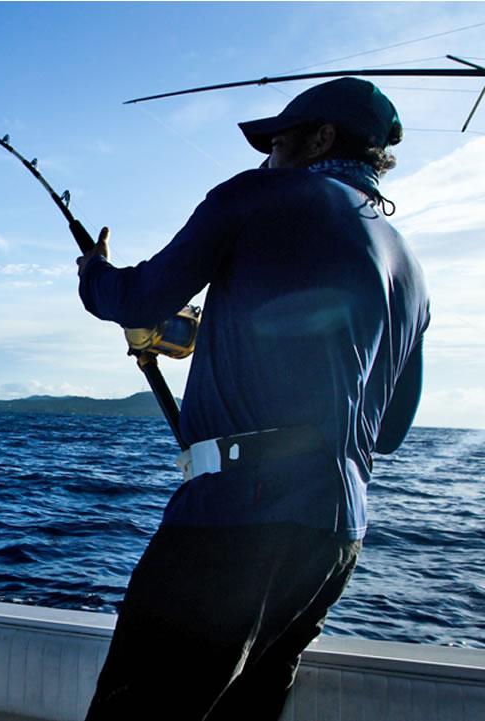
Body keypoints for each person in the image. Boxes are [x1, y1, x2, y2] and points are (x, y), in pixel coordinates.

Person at [76, 78, 428, 720]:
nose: (268, 155)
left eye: (278, 140)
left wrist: (93, 273)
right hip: (336, 539)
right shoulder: (410, 267)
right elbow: (393, 428)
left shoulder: (258, 195)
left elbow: (133, 299)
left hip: (235, 522)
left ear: (321, 138)